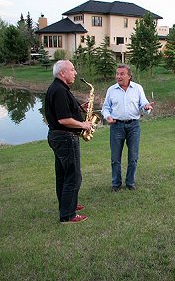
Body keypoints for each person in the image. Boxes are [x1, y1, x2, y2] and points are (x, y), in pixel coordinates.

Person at [45, 60, 92, 224]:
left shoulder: (59, 89)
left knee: (63, 175)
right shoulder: (59, 91)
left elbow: (65, 111)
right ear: (62, 73)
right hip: (65, 137)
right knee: (73, 176)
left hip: (58, 137)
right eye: (72, 70)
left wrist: (80, 108)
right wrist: (83, 124)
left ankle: (67, 205)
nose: (75, 73)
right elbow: (64, 119)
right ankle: (68, 215)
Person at [101, 64, 154, 191]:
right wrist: (107, 116)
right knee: (115, 158)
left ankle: (130, 183)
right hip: (116, 126)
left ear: (129, 76)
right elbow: (105, 108)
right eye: (117, 74)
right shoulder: (111, 90)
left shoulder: (137, 88)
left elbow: (144, 105)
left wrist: (146, 108)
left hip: (133, 126)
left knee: (133, 157)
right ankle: (116, 184)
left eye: (122, 74)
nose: (118, 76)